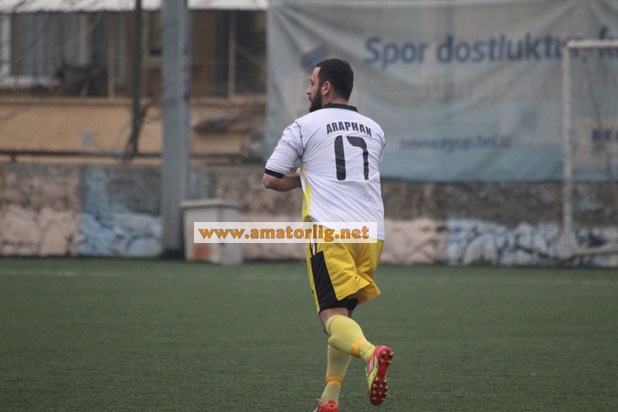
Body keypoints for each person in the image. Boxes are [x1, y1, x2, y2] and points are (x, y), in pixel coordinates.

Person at [263, 58, 393, 412]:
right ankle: (329, 400)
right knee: (342, 317)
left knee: (331, 319)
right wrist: (312, 175)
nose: (307, 89)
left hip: (331, 229)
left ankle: (371, 353)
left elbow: (272, 178)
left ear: (325, 87)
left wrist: (302, 177)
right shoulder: (375, 129)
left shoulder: (303, 126)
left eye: (311, 82)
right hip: (371, 233)